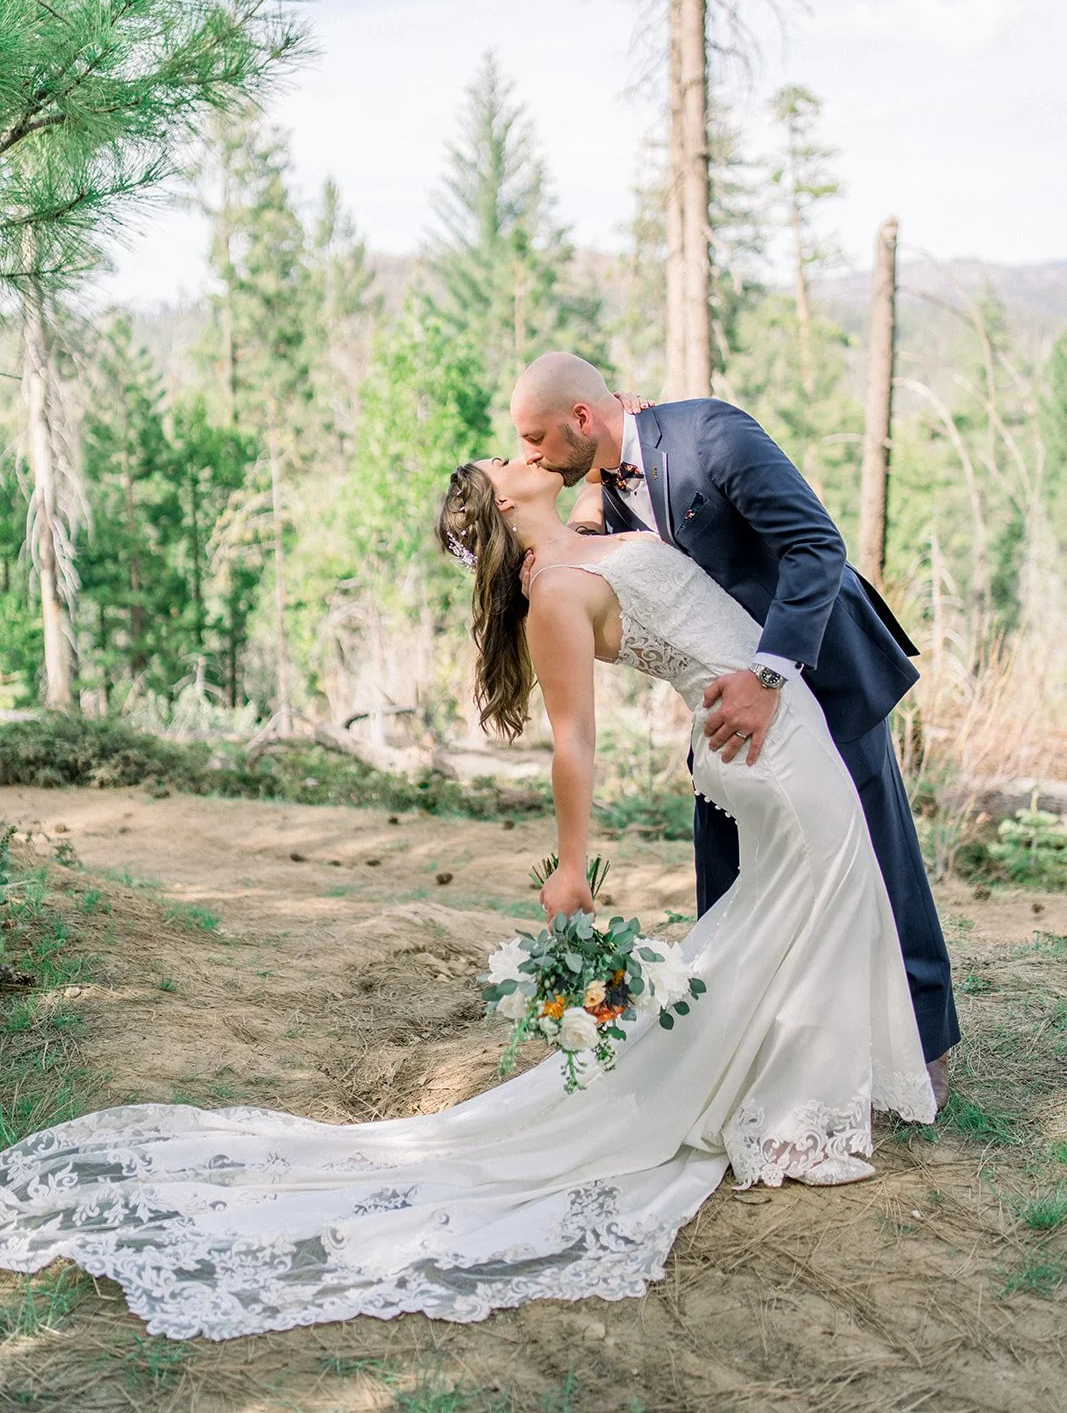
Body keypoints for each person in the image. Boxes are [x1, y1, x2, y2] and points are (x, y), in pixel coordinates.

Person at [0, 455, 935, 1344]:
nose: (518, 451)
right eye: (504, 458)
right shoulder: (554, 595)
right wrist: (571, 869)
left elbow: (633, 483)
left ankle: (767, 1095)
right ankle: (788, 1124)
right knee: (822, 897)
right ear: (501, 505)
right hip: (762, 749)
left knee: (785, 914)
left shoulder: (585, 539)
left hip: (764, 727)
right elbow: (574, 745)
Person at [509, 352, 958, 1106]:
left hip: (816, 664)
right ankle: (741, 1033)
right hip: (722, 692)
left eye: (535, 439)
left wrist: (769, 675)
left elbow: (816, 546)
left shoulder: (711, 434)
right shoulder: (601, 487)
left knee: (877, 850)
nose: (528, 456)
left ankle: (921, 1041)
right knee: (723, 860)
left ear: (581, 419)